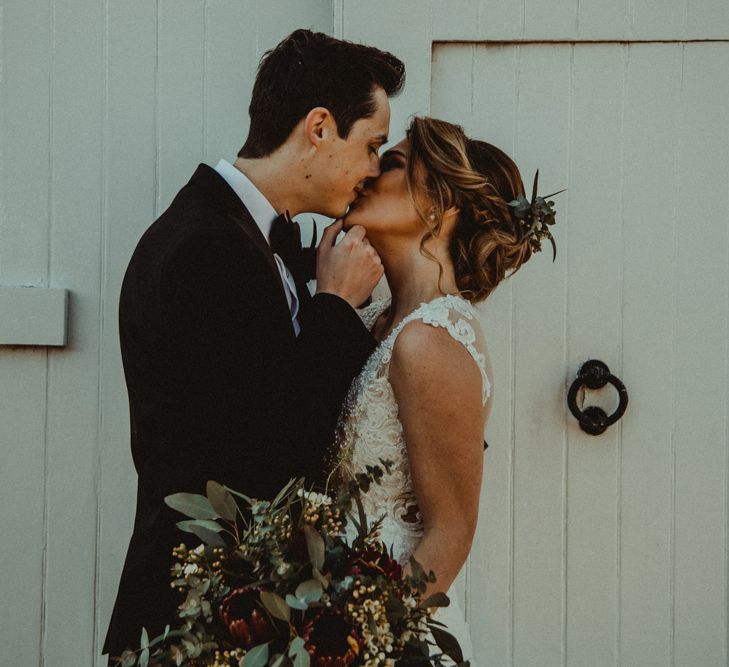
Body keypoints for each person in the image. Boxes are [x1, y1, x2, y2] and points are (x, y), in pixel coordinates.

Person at [103, 29, 405, 661]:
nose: (375, 169)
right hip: (195, 619)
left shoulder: (246, 237)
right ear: (319, 127)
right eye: (372, 144)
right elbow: (264, 448)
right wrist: (334, 306)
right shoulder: (202, 249)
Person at [328, 116, 558, 664]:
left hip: (393, 634)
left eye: (394, 164)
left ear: (441, 205)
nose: (370, 173)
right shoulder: (380, 320)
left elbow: (451, 533)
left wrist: (366, 643)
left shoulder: (431, 339)